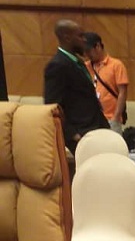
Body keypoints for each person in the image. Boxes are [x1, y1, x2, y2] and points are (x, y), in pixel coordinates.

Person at [44, 19, 109, 154]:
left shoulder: (76, 62)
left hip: (97, 128)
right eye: (80, 36)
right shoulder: (57, 65)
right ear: (67, 38)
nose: (84, 40)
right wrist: (72, 134)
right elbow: (53, 106)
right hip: (81, 133)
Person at [83, 32, 129, 135]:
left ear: (97, 46)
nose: (87, 55)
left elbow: (122, 93)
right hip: (92, 120)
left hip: (110, 118)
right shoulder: (86, 67)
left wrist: (116, 117)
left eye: (88, 51)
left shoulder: (116, 65)